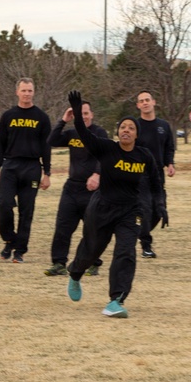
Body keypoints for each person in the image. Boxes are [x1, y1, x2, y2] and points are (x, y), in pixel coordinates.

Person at [63, 90, 160, 318]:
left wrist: (160, 206)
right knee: (92, 249)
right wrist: (77, 110)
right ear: (118, 132)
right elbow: (83, 133)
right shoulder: (107, 148)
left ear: (136, 134)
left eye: (131, 128)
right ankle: (76, 273)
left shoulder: (144, 156)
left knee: (126, 252)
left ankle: (116, 300)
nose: (126, 130)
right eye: (123, 127)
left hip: (130, 210)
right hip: (102, 207)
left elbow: (156, 183)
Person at [0, 77, 52, 263]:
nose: (26, 94)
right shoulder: (8, 116)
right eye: (23, 90)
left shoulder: (41, 117)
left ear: (34, 92)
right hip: (10, 166)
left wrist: (47, 173)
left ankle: (20, 250)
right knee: (4, 205)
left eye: (30, 91)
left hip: (32, 167)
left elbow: (46, 147)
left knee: (27, 211)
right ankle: (9, 239)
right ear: (17, 92)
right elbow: (0, 144)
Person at [44, 99, 108, 277]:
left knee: (92, 228)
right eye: (79, 114)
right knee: (62, 227)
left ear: (91, 115)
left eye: (86, 113)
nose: (83, 117)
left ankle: (94, 263)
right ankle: (59, 263)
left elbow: (106, 155)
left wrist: (97, 174)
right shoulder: (72, 133)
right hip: (71, 188)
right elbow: (52, 140)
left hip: (92, 191)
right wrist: (63, 120)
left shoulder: (99, 133)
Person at [135, 90, 175, 258]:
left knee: (159, 211)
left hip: (157, 175)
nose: (145, 103)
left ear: (153, 102)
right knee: (144, 209)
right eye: (141, 101)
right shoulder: (135, 125)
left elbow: (168, 147)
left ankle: (135, 231)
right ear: (138, 105)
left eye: (147, 100)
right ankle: (146, 246)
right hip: (139, 174)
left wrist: (170, 163)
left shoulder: (163, 126)